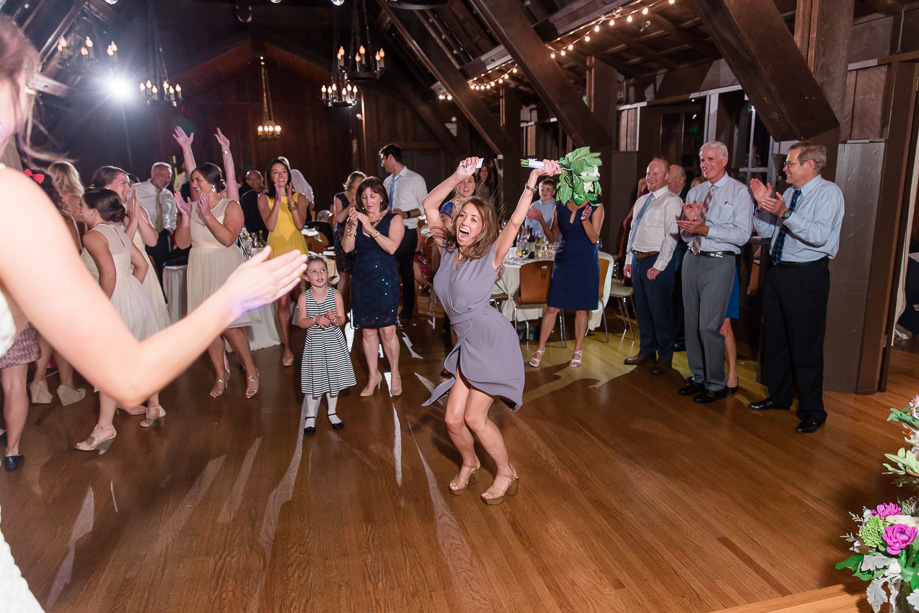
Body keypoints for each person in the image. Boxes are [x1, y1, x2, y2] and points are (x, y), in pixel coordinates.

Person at [0, 18, 304, 604]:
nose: (29, 109)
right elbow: (128, 374)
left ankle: (232, 375)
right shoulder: (12, 203)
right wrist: (234, 296)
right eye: (29, 90)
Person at [422, 156, 560, 505]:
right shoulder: (447, 247)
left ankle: (506, 471)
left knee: (474, 417)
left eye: (475, 219)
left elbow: (514, 222)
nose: (466, 222)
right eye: (463, 216)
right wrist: (458, 175)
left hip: (490, 340)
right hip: (467, 343)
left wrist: (533, 178)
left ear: (484, 230)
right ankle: (470, 463)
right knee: (453, 421)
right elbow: (429, 205)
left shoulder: (491, 256)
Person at [748, 141, 844, 433]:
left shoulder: (828, 193)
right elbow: (769, 232)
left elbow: (818, 235)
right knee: (776, 340)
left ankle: (813, 411)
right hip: (779, 272)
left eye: (790, 164)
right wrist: (762, 206)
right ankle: (779, 397)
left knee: (806, 345)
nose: (784, 169)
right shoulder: (790, 193)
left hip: (807, 276)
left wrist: (785, 213)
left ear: (810, 165)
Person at [173, 129, 262, 399]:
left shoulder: (230, 206)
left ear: (212, 183)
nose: (194, 184)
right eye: (192, 180)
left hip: (224, 267)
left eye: (198, 180)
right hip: (199, 266)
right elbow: (183, 244)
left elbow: (227, 239)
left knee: (230, 329)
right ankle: (221, 375)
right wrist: (185, 217)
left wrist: (207, 215)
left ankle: (251, 371)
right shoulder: (192, 207)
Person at [76, 188, 166, 448]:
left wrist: (103, 306)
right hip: (135, 297)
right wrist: (131, 291)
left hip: (114, 299)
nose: (79, 209)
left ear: (93, 211)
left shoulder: (92, 236)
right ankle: (154, 407)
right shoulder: (118, 232)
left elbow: (109, 273)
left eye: (82, 205)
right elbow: (142, 265)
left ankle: (104, 428)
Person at [675, 141, 753, 404]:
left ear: (724, 160)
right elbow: (686, 236)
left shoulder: (739, 192)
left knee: (710, 325)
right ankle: (698, 378)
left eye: (710, 159)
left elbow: (742, 235)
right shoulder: (696, 191)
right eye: (702, 160)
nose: (705, 165)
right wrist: (690, 224)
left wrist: (706, 229)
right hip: (692, 258)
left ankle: (716, 383)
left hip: (720, 262)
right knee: (691, 323)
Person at [528, 175, 605, 370]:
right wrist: (540, 220)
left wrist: (585, 220)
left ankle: (578, 350)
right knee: (552, 307)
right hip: (563, 261)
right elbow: (553, 236)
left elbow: (594, 238)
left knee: (581, 309)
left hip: (585, 263)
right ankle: (540, 349)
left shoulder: (596, 206)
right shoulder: (560, 206)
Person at [28, 165, 86, 407]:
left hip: (34, 282)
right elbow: (76, 250)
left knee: (45, 332)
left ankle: (38, 382)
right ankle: (67, 386)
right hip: (62, 280)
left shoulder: (19, 218)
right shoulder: (62, 216)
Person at [342, 177, 404, 396]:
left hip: (385, 280)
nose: (368, 201)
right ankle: (373, 375)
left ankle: (394, 374)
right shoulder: (356, 219)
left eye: (373, 196)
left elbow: (391, 248)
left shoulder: (394, 219)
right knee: (367, 332)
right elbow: (347, 248)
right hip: (362, 280)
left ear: (381, 197)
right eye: (364, 197)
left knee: (388, 331)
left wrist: (370, 229)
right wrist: (352, 226)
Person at [90, 166, 171, 333]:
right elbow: (120, 249)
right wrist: (132, 221)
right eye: (123, 183)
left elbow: (152, 241)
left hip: (145, 273)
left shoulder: (137, 209)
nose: (129, 188)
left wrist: (136, 214)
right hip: (122, 275)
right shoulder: (100, 216)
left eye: (128, 183)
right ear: (107, 186)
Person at [621, 157, 682, 374]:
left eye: (655, 173)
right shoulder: (641, 201)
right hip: (638, 260)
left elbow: (672, 236)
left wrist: (659, 266)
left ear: (666, 176)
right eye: (648, 173)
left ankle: (665, 357)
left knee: (660, 311)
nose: (650, 177)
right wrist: (629, 261)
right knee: (643, 311)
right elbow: (633, 232)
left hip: (656, 261)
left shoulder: (672, 201)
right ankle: (647, 351)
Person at [258, 157, 309, 367]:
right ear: (270, 177)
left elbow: (299, 225)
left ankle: (310, 343)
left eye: (283, 171)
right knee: (283, 302)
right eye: (276, 172)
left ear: (288, 174)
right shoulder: (263, 198)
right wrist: (278, 200)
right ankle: (287, 346)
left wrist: (291, 203)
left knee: (303, 298)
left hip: (296, 249)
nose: (280, 175)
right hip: (277, 252)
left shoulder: (300, 197)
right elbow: (270, 226)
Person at [297, 255, 355, 435]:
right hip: (314, 344)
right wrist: (315, 319)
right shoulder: (304, 297)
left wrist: (334, 319)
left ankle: (332, 411)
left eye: (322, 270)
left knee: (333, 378)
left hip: (333, 343)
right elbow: (301, 322)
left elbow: (342, 318)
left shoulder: (335, 294)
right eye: (313, 271)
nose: (319, 274)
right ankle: (310, 414)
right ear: (306, 277)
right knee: (314, 379)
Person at [380, 143, 427, 325]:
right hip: (389, 231)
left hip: (407, 231)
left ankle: (407, 312)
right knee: (389, 269)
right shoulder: (387, 182)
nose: (382, 164)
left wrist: (405, 214)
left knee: (406, 270)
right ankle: (390, 309)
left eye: (383, 159)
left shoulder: (415, 179)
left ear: (391, 157)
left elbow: (424, 207)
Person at [333, 171, 366, 318]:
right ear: (352, 182)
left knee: (357, 274)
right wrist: (352, 205)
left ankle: (355, 309)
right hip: (342, 237)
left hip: (358, 236)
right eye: (360, 181)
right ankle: (341, 310)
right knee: (344, 274)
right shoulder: (340, 197)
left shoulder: (363, 197)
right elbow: (339, 218)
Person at [133, 161, 175, 275]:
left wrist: (171, 228)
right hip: (143, 235)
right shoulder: (137, 190)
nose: (166, 180)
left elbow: (172, 214)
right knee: (147, 269)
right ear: (153, 174)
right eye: (162, 175)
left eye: (169, 177)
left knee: (164, 270)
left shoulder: (168, 194)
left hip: (163, 237)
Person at [668, 164, 689, 351]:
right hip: (669, 248)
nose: (667, 181)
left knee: (678, 292)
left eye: (671, 178)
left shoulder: (688, 197)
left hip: (682, 248)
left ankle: (678, 337)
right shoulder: (667, 197)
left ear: (681, 180)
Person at [240, 169, 267, 238]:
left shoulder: (270, 193)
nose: (254, 182)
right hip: (256, 233)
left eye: (256, 179)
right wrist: (253, 234)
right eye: (251, 180)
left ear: (261, 179)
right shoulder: (246, 197)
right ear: (247, 182)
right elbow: (247, 218)